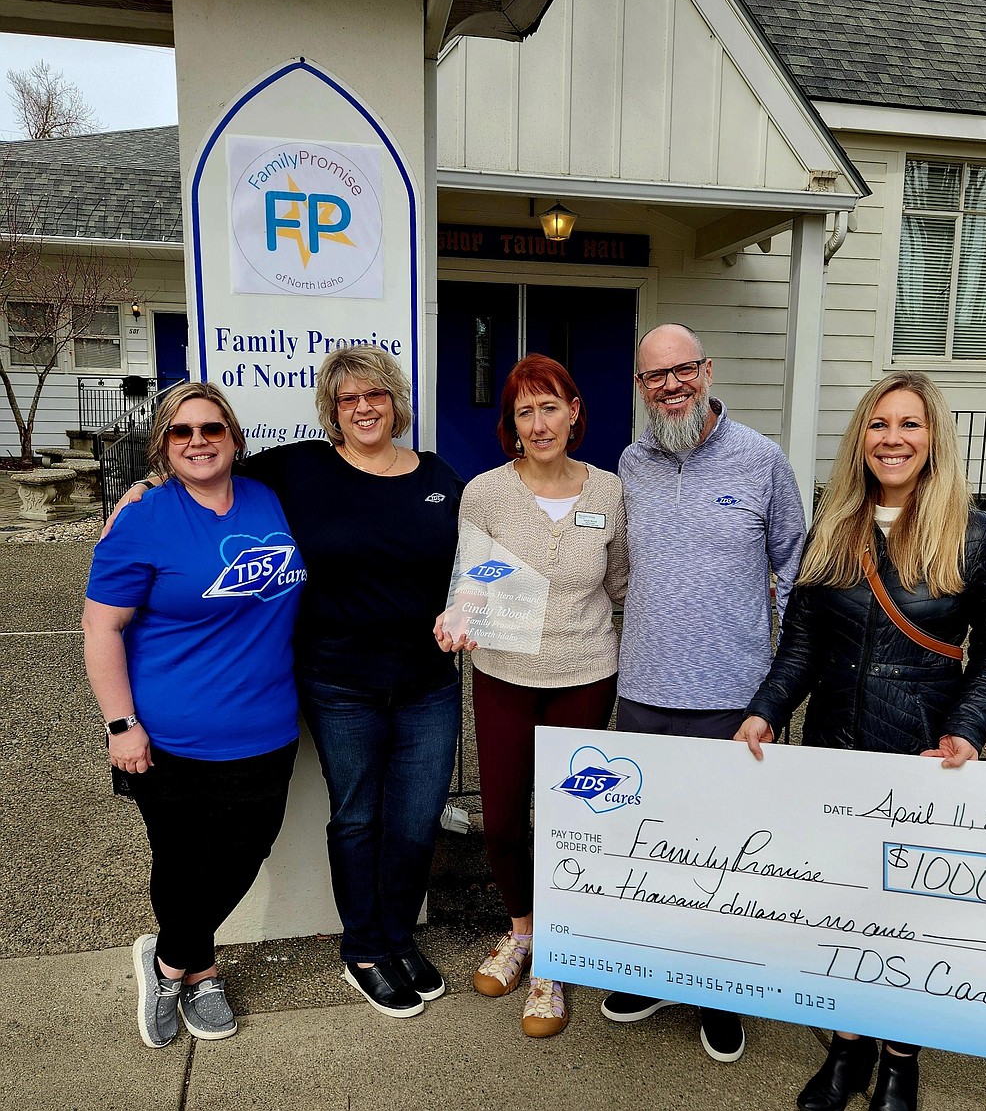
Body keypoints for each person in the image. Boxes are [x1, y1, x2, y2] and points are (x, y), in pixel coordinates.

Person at [110, 346, 463, 1021]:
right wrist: (144, 488)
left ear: (395, 401)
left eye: (375, 395)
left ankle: (397, 936)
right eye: (348, 398)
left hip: (428, 685)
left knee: (416, 821)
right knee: (358, 817)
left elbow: (477, 565)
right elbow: (209, 472)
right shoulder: (300, 469)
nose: (363, 407)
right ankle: (364, 949)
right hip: (339, 685)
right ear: (332, 411)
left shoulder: (441, 477)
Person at [733, 370, 986, 1111]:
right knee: (845, 909)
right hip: (835, 754)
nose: (893, 438)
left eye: (910, 425)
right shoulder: (836, 520)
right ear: (860, 437)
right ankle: (848, 1052)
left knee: (909, 919)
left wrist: (966, 729)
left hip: (921, 754)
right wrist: (766, 709)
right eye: (879, 424)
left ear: (933, 439)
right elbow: (800, 640)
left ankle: (900, 1059)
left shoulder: (975, 531)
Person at [600, 322, 806, 1063]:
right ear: (641, 386)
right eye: (656, 375)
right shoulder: (631, 461)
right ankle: (656, 972)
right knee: (651, 849)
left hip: (732, 697)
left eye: (683, 369)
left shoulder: (762, 461)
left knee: (725, 854)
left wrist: (777, 693)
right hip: (644, 690)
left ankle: (720, 991)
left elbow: (797, 570)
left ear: (707, 369)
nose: (672, 385)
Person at [83, 382, 305, 1048]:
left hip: (268, 726)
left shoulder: (268, 497)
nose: (198, 440)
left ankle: (167, 960)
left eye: (212, 428)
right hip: (171, 735)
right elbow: (100, 627)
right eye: (181, 432)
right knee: (181, 863)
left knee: (243, 852)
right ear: (164, 446)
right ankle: (201, 969)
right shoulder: (145, 517)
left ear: (235, 437)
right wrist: (121, 724)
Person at [435, 354, 628, 1038]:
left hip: (586, 674)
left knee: (571, 819)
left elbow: (624, 585)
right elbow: (474, 576)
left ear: (575, 411)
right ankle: (521, 931)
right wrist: (460, 611)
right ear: (510, 424)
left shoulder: (610, 490)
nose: (539, 423)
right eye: (525, 411)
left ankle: (556, 957)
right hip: (505, 675)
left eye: (550, 406)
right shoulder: (485, 493)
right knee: (507, 818)